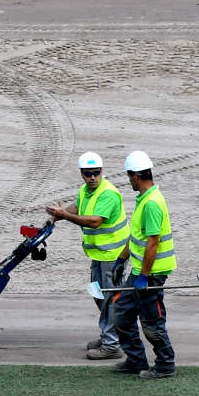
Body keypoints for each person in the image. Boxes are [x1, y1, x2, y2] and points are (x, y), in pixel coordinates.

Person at [45, 151, 130, 360]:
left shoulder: (108, 193)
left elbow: (95, 221)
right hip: (99, 254)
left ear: (102, 172)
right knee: (97, 292)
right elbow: (78, 206)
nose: (92, 177)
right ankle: (111, 334)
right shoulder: (86, 190)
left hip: (113, 256)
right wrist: (59, 216)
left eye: (96, 173)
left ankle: (111, 345)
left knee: (110, 299)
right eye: (88, 174)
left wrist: (66, 215)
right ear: (82, 174)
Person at [110, 151, 176, 380]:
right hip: (139, 271)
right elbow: (137, 238)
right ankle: (136, 360)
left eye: (129, 176)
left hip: (152, 274)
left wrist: (144, 277)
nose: (129, 180)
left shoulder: (152, 204)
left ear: (135, 177)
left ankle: (165, 365)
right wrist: (122, 259)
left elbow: (152, 244)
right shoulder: (144, 200)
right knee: (121, 314)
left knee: (151, 321)